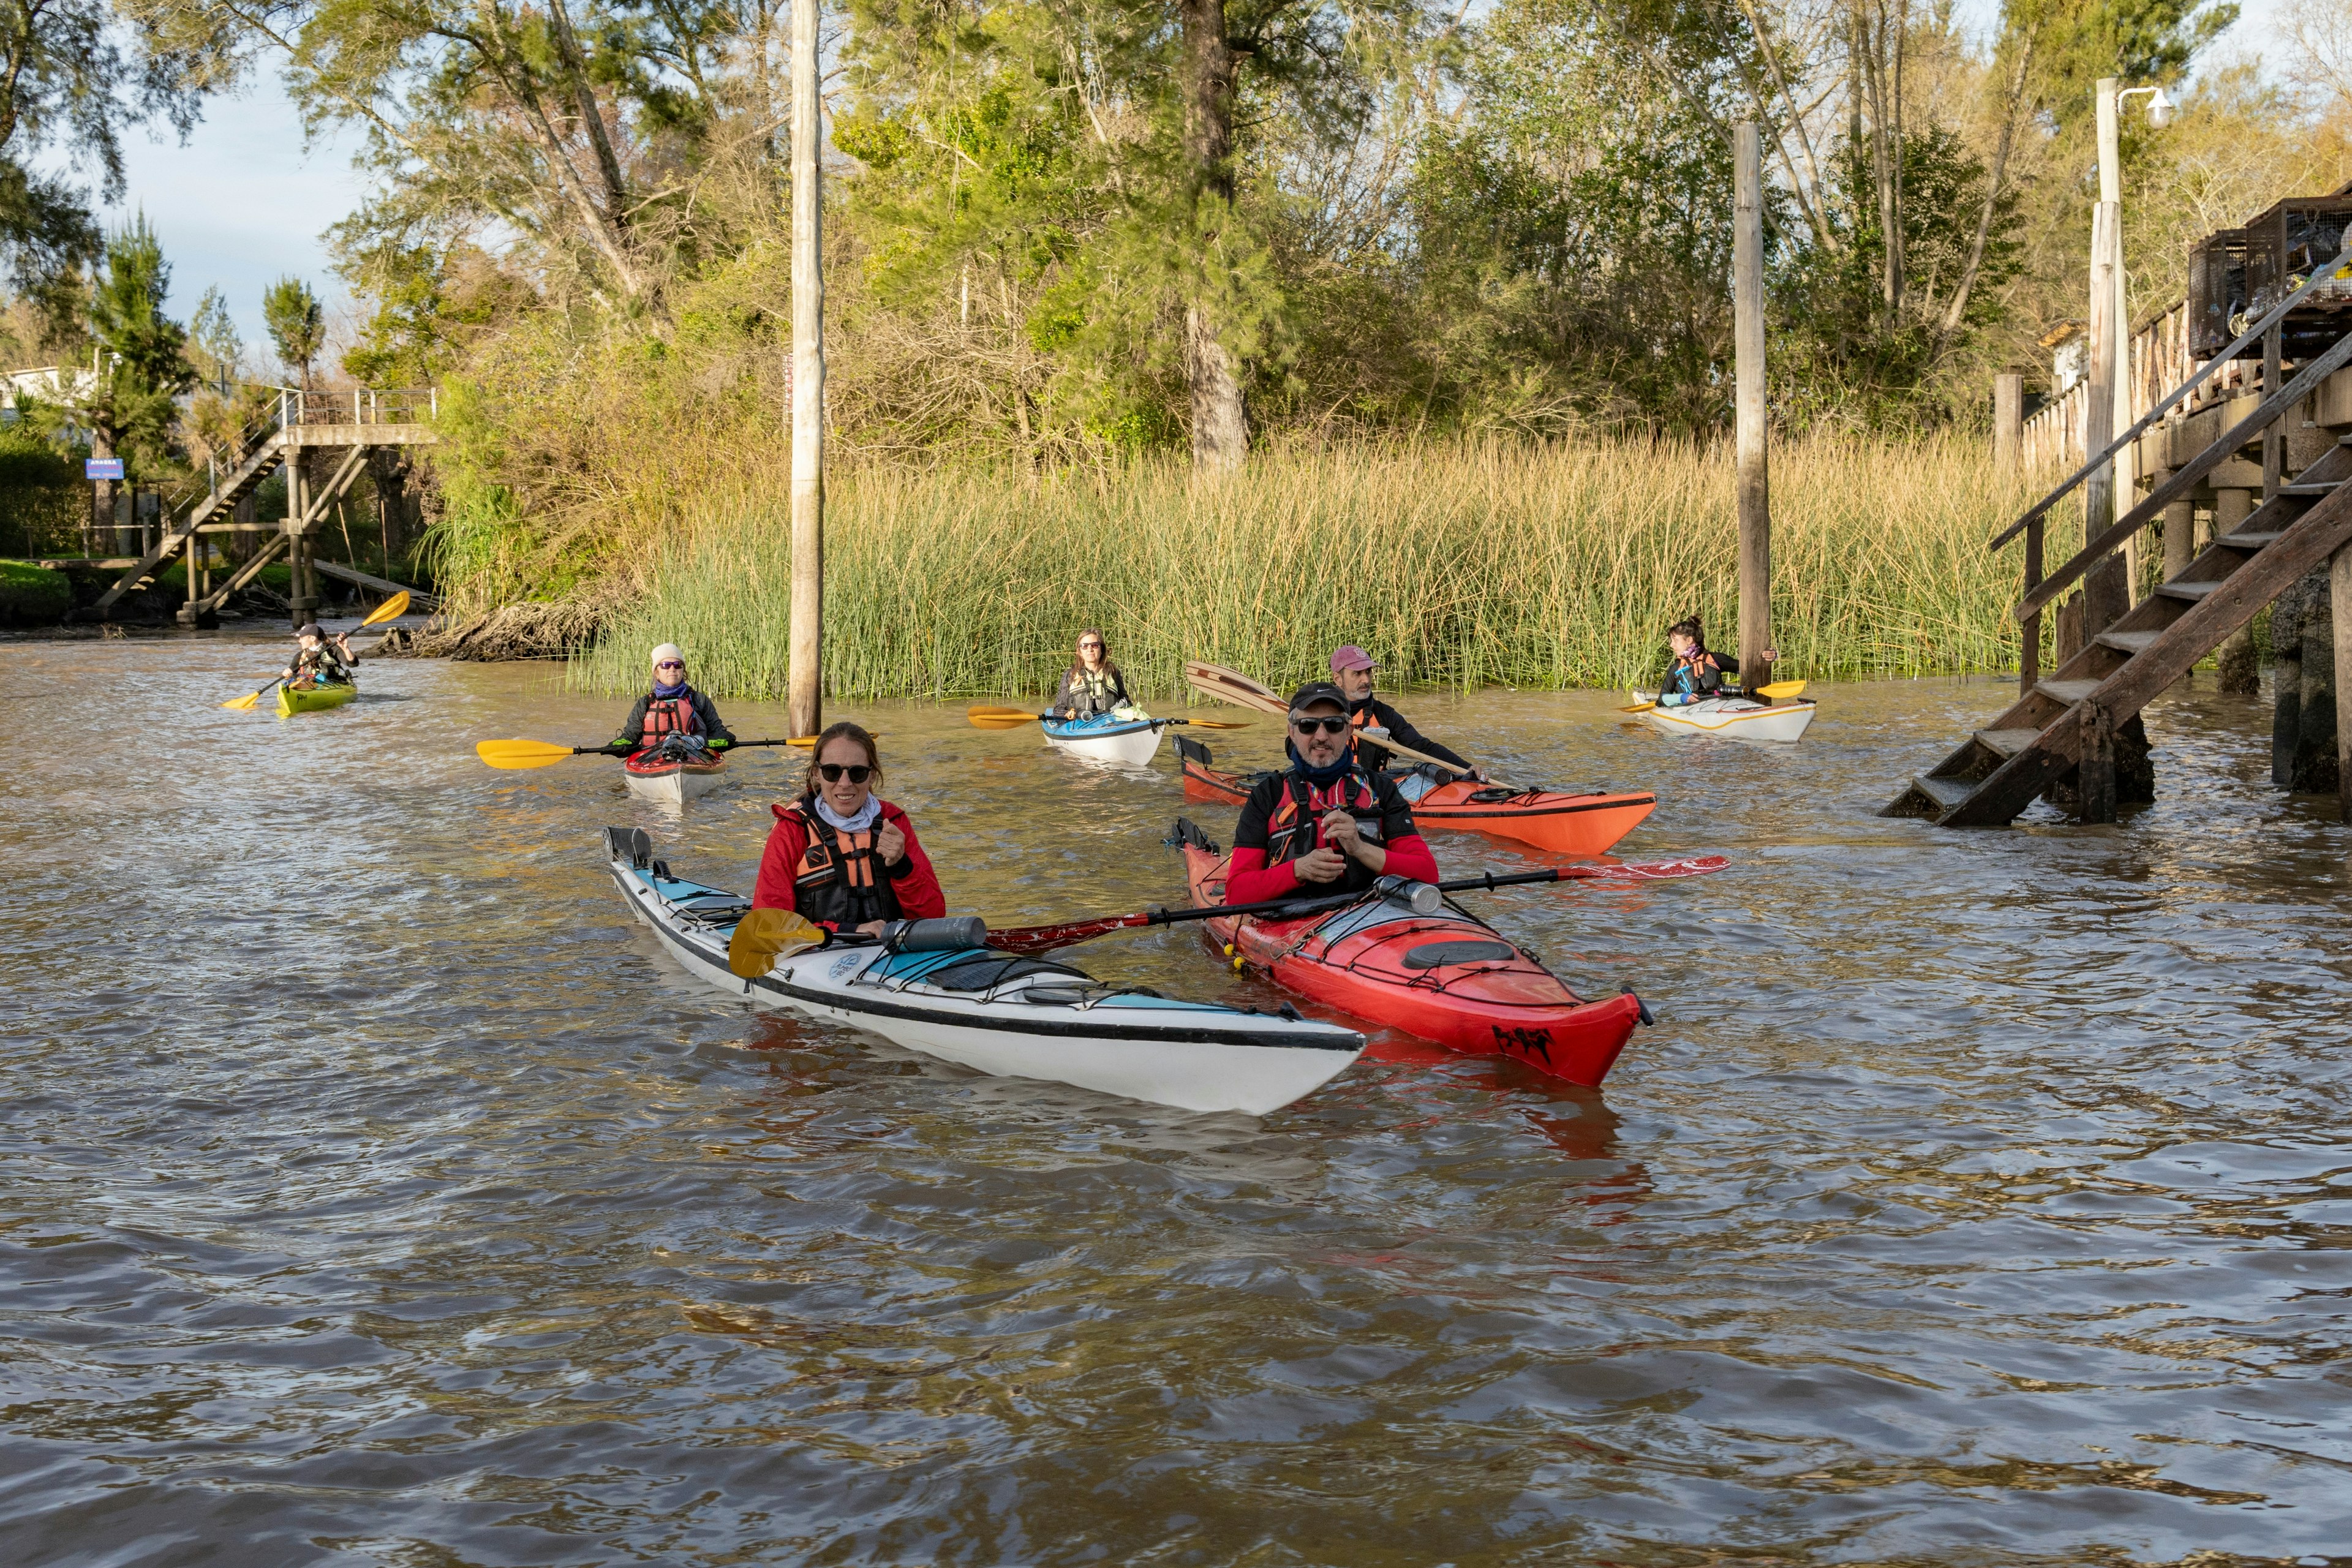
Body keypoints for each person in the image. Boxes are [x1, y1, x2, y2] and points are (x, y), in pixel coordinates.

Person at [1224, 681, 1441, 906]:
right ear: (1292, 731)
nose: (1321, 736)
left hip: (1366, 916)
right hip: (1291, 921)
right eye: (1308, 725)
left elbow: (1428, 874)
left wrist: (1360, 848)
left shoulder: (1381, 789)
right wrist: (1297, 870)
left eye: (1333, 724)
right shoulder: (1267, 794)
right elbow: (1236, 893)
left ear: (1349, 730)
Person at [752, 722, 946, 936]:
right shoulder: (792, 830)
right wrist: (849, 930)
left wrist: (902, 867)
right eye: (832, 771)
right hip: (821, 952)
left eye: (857, 773)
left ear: (871, 776)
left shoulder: (894, 822)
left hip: (888, 952)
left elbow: (933, 918)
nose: (845, 783)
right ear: (816, 773)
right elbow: (771, 927)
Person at [1327, 644, 1482, 785]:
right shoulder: (1320, 712)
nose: (1366, 680)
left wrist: (1466, 767)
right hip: (1329, 784)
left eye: (1368, 671)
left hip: (1369, 786)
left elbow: (1421, 746)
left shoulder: (1383, 713)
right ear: (1338, 679)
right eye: (1357, 673)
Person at [613, 643, 736, 758]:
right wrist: (618, 745)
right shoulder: (645, 703)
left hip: (694, 755)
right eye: (666, 665)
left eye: (678, 665)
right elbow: (631, 735)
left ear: (683, 670)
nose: (672, 669)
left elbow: (717, 731)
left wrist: (720, 740)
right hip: (653, 756)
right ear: (657, 673)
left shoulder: (699, 700)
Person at [1656, 617, 1776, 706]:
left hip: (1719, 706)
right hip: (1688, 710)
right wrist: (1682, 698)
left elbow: (1745, 668)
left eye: (1675, 640)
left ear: (1689, 640)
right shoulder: (1676, 669)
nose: (1671, 645)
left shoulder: (1715, 659)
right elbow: (1662, 699)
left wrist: (1768, 657)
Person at [1052, 629, 1133, 718]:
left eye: (1095, 645)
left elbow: (1127, 703)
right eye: (1084, 646)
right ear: (1079, 652)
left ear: (1102, 650)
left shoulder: (1114, 673)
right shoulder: (1070, 675)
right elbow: (1059, 710)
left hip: (1109, 723)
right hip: (1078, 724)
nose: (1090, 649)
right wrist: (1068, 714)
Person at [281, 624, 355, 688]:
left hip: (332, 685)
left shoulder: (332, 650)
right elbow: (292, 671)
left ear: (313, 638)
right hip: (309, 685)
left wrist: (345, 648)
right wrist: (287, 674)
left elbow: (353, 664)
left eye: (302, 638)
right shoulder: (300, 655)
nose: (299, 641)